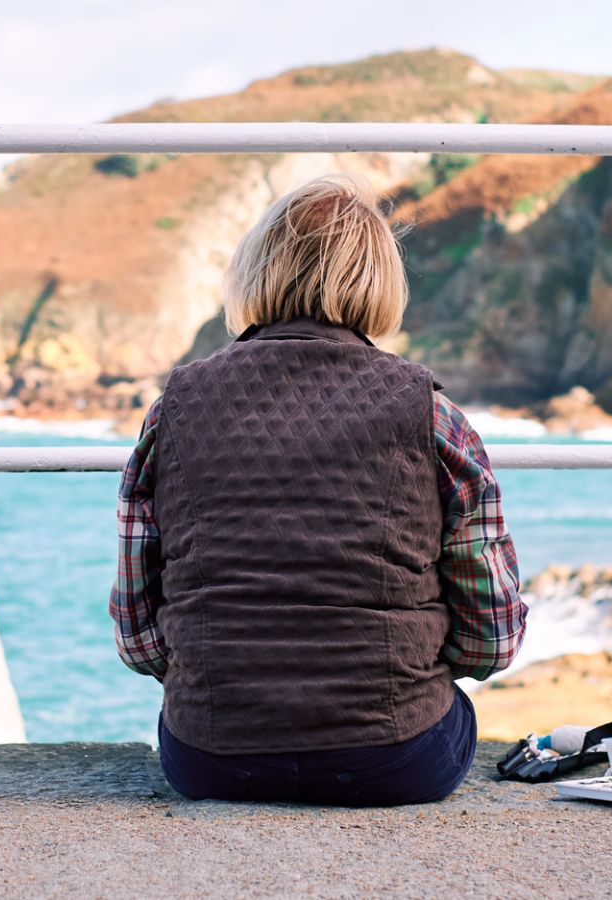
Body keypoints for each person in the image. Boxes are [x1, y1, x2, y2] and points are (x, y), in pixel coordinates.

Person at [108, 174, 527, 807]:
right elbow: (492, 638)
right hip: (395, 759)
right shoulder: (431, 413)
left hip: (211, 759)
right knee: (457, 716)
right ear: (380, 283)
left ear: (256, 274)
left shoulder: (175, 409)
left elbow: (137, 634)